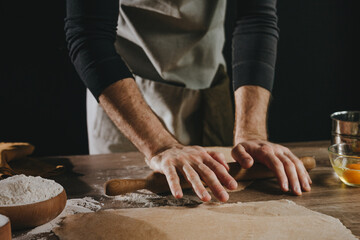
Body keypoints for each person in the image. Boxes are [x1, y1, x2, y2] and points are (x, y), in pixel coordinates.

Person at [65, 0, 312, 202]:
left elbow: (256, 17)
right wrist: (159, 146)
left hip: (209, 90)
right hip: (128, 99)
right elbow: (88, 35)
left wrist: (252, 132)